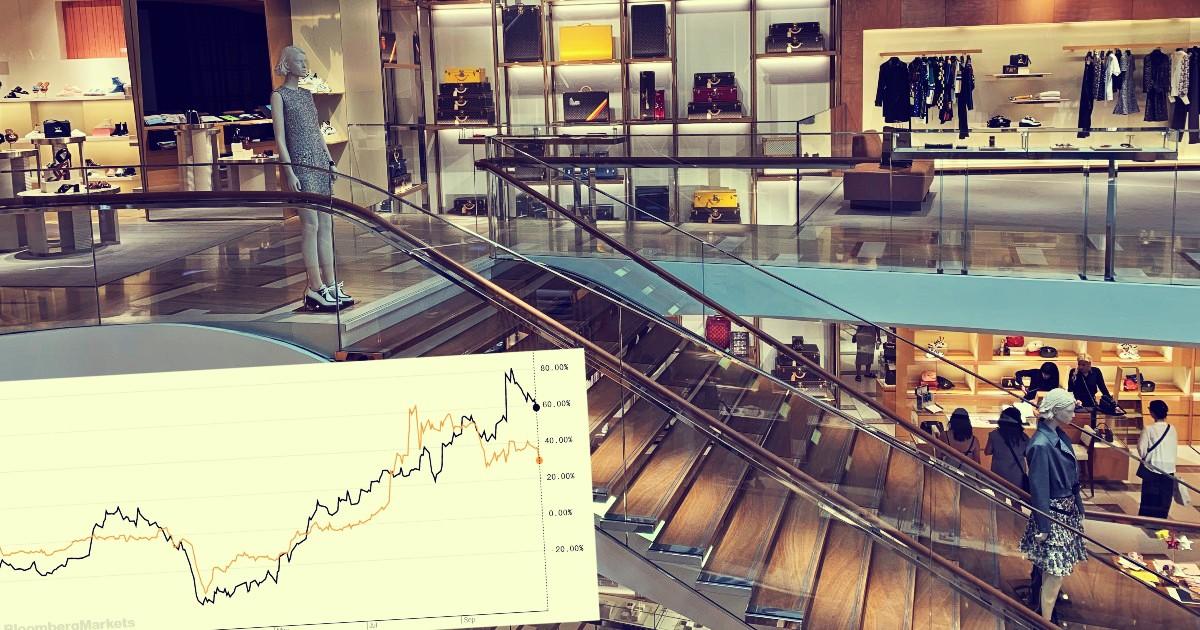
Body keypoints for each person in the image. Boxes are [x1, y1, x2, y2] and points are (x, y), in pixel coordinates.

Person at [271, 45, 352, 310]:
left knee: (326, 224)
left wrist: (329, 160)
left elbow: (317, 132)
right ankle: (315, 287)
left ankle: (331, 282)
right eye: (299, 61)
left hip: (319, 162)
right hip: (301, 166)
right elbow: (281, 139)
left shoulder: (307, 94)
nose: (305, 65)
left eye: (305, 61)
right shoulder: (279, 96)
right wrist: (289, 171)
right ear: (287, 64)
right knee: (311, 225)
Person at [1020, 388, 1087, 622]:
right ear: (1056, 411)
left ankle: (1043, 612)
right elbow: (1039, 489)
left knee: (1051, 569)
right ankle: (1045, 620)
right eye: (1069, 411)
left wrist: (1078, 505)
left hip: (1065, 511)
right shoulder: (1041, 445)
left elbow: (1072, 477)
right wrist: (1044, 525)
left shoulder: (1059, 436)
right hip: (1054, 515)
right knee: (1055, 573)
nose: (1074, 415)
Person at [1137, 400, 1177, 518]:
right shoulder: (1172, 428)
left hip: (1152, 468)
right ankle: (1161, 519)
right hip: (1169, 469)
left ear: (1152, 413)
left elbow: (1142, 450)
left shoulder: (1148, 429)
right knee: (1164, 498)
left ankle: (1148, 520)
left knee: (1150, 498)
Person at [985, 406, 1030, 489]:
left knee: (999, 496)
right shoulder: (1024, 438)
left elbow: (987, 452)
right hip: (1017, 477)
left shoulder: (994, 435)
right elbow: (1027, 454)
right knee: (1016, 497)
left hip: (998, 475)